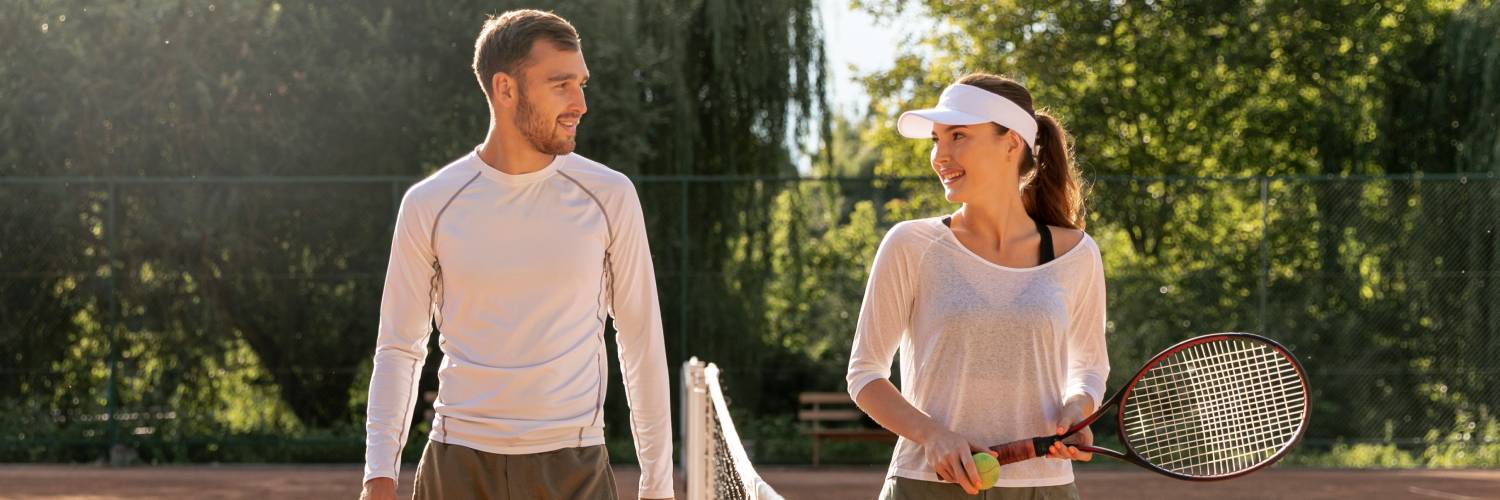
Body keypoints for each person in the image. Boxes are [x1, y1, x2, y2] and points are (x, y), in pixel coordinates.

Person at [360, 10, 673, 500]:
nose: (581, 104)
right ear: (505, 89)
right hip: (456, 467)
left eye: (581, 84)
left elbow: (641, 342)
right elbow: (399, 347)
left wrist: (658, 486)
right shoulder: (429, 204)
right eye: (561, 85)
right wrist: (379, 476)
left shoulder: (610, 196)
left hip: (574, 468)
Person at [845, 73, 1110, 499]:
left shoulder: (1077, 253)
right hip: (927, 486)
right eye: (936, 139)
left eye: (958, 136)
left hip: (1044, 488)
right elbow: (864, 374)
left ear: (1012, 143)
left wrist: (1078, 407)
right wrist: (933, 435)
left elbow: (1090, 368)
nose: (939, 155)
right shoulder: (910, 244)